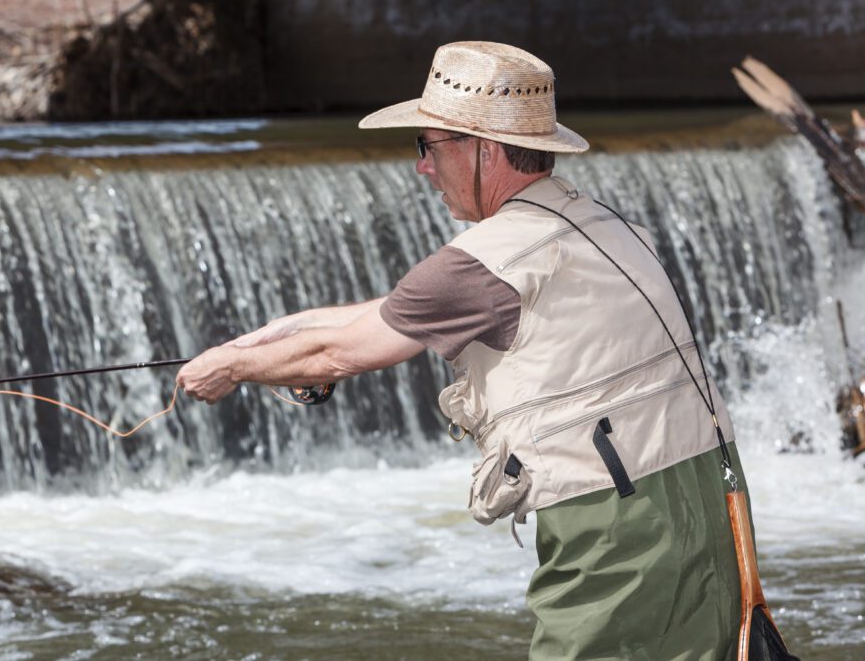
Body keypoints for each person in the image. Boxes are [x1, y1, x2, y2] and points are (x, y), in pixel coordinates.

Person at [176, 41, 748, 660]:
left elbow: (339, 355)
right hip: (707, 487)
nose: (421, 167)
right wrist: (273, 335)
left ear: (484, 149)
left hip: (615, 516)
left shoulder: (483, 261)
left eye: (428, 145)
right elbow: (401, 311)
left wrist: (229, 367)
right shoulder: (591, 220)